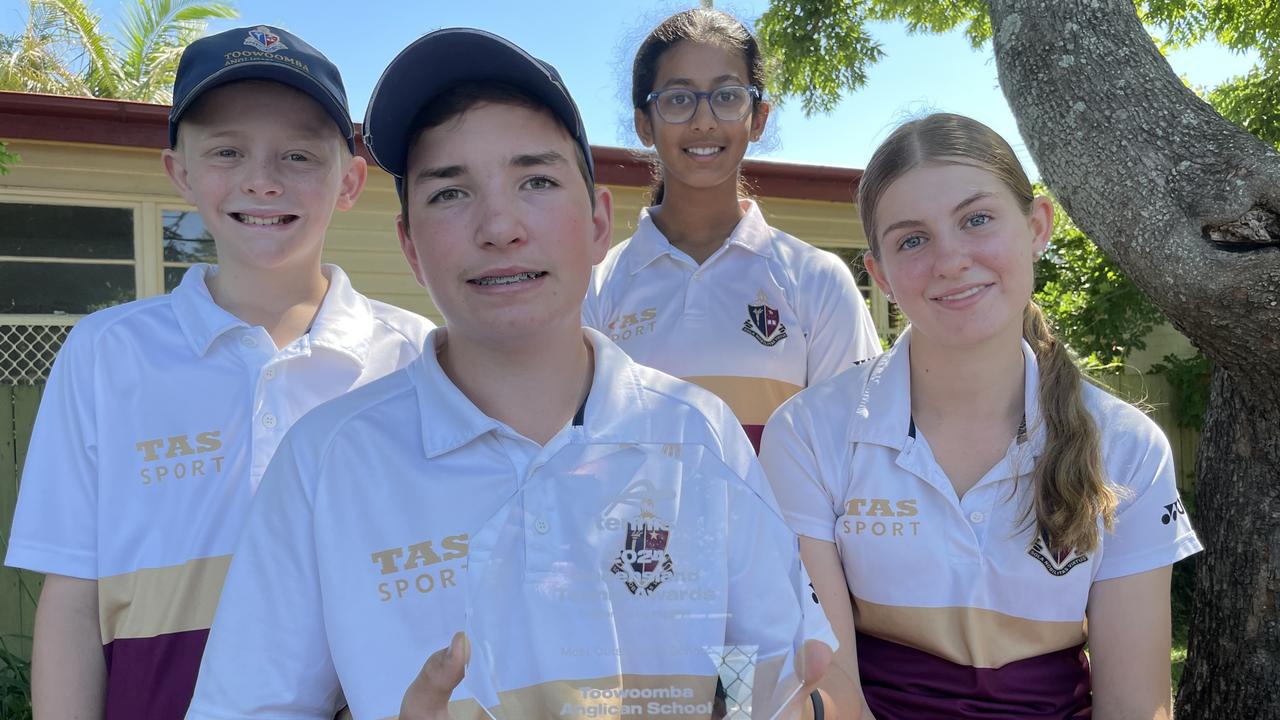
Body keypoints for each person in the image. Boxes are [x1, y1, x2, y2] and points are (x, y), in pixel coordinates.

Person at [186, 27, 829, 720]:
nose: (499, 226)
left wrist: (732, 708)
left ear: (596, 224)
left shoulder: (697, 434)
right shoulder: (327, 463)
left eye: (537, 181)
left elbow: (770, 659)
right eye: (449, 194)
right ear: (409, 245)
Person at [3, 25, 434, 720]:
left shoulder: (416, 358)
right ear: (180, 171)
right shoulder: (106, 353)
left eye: (298, 155)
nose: (262, 180)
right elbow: (73, 600)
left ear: (350, 181)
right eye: (227, 151)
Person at [759, 113, 1203, 719]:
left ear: (1037, 226)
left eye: (977, 220)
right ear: (881, 276)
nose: (951, 260)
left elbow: (1136, 704)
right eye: (912, 239)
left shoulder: (1127, 447)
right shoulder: (807, 433)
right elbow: (829, 688)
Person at [583, 7, 881, 452]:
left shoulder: (817, 281)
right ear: (645, 123)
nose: (704, 121)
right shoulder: (594, 286)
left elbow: (858, 450)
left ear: (758, 118)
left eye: (726, 96)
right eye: (679, 99)